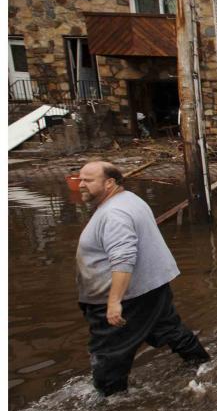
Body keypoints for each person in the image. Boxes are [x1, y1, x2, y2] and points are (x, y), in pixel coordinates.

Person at [76, 160, 209, 396]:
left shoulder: (115, 213)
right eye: (80, 179)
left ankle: (110, 407)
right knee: (169, 329)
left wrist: (114, 301)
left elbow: (123, 257)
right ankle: (203, 364)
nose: (80, 185)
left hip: (127, 297)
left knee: (109, 353)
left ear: (109, 183)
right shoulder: (128, 199)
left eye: (88, 180)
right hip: (151, 286)